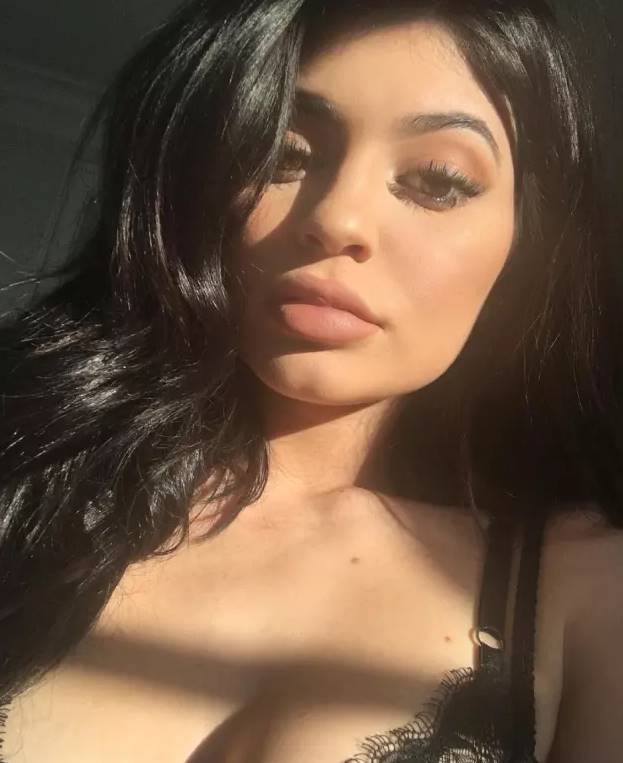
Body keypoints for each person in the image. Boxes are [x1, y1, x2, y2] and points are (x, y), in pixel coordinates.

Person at [1, 0, 623, 760]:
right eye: (281, 155)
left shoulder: (587, 587)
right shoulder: (29, 471)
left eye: (438, 179)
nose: (337, 218)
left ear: (528, 246)